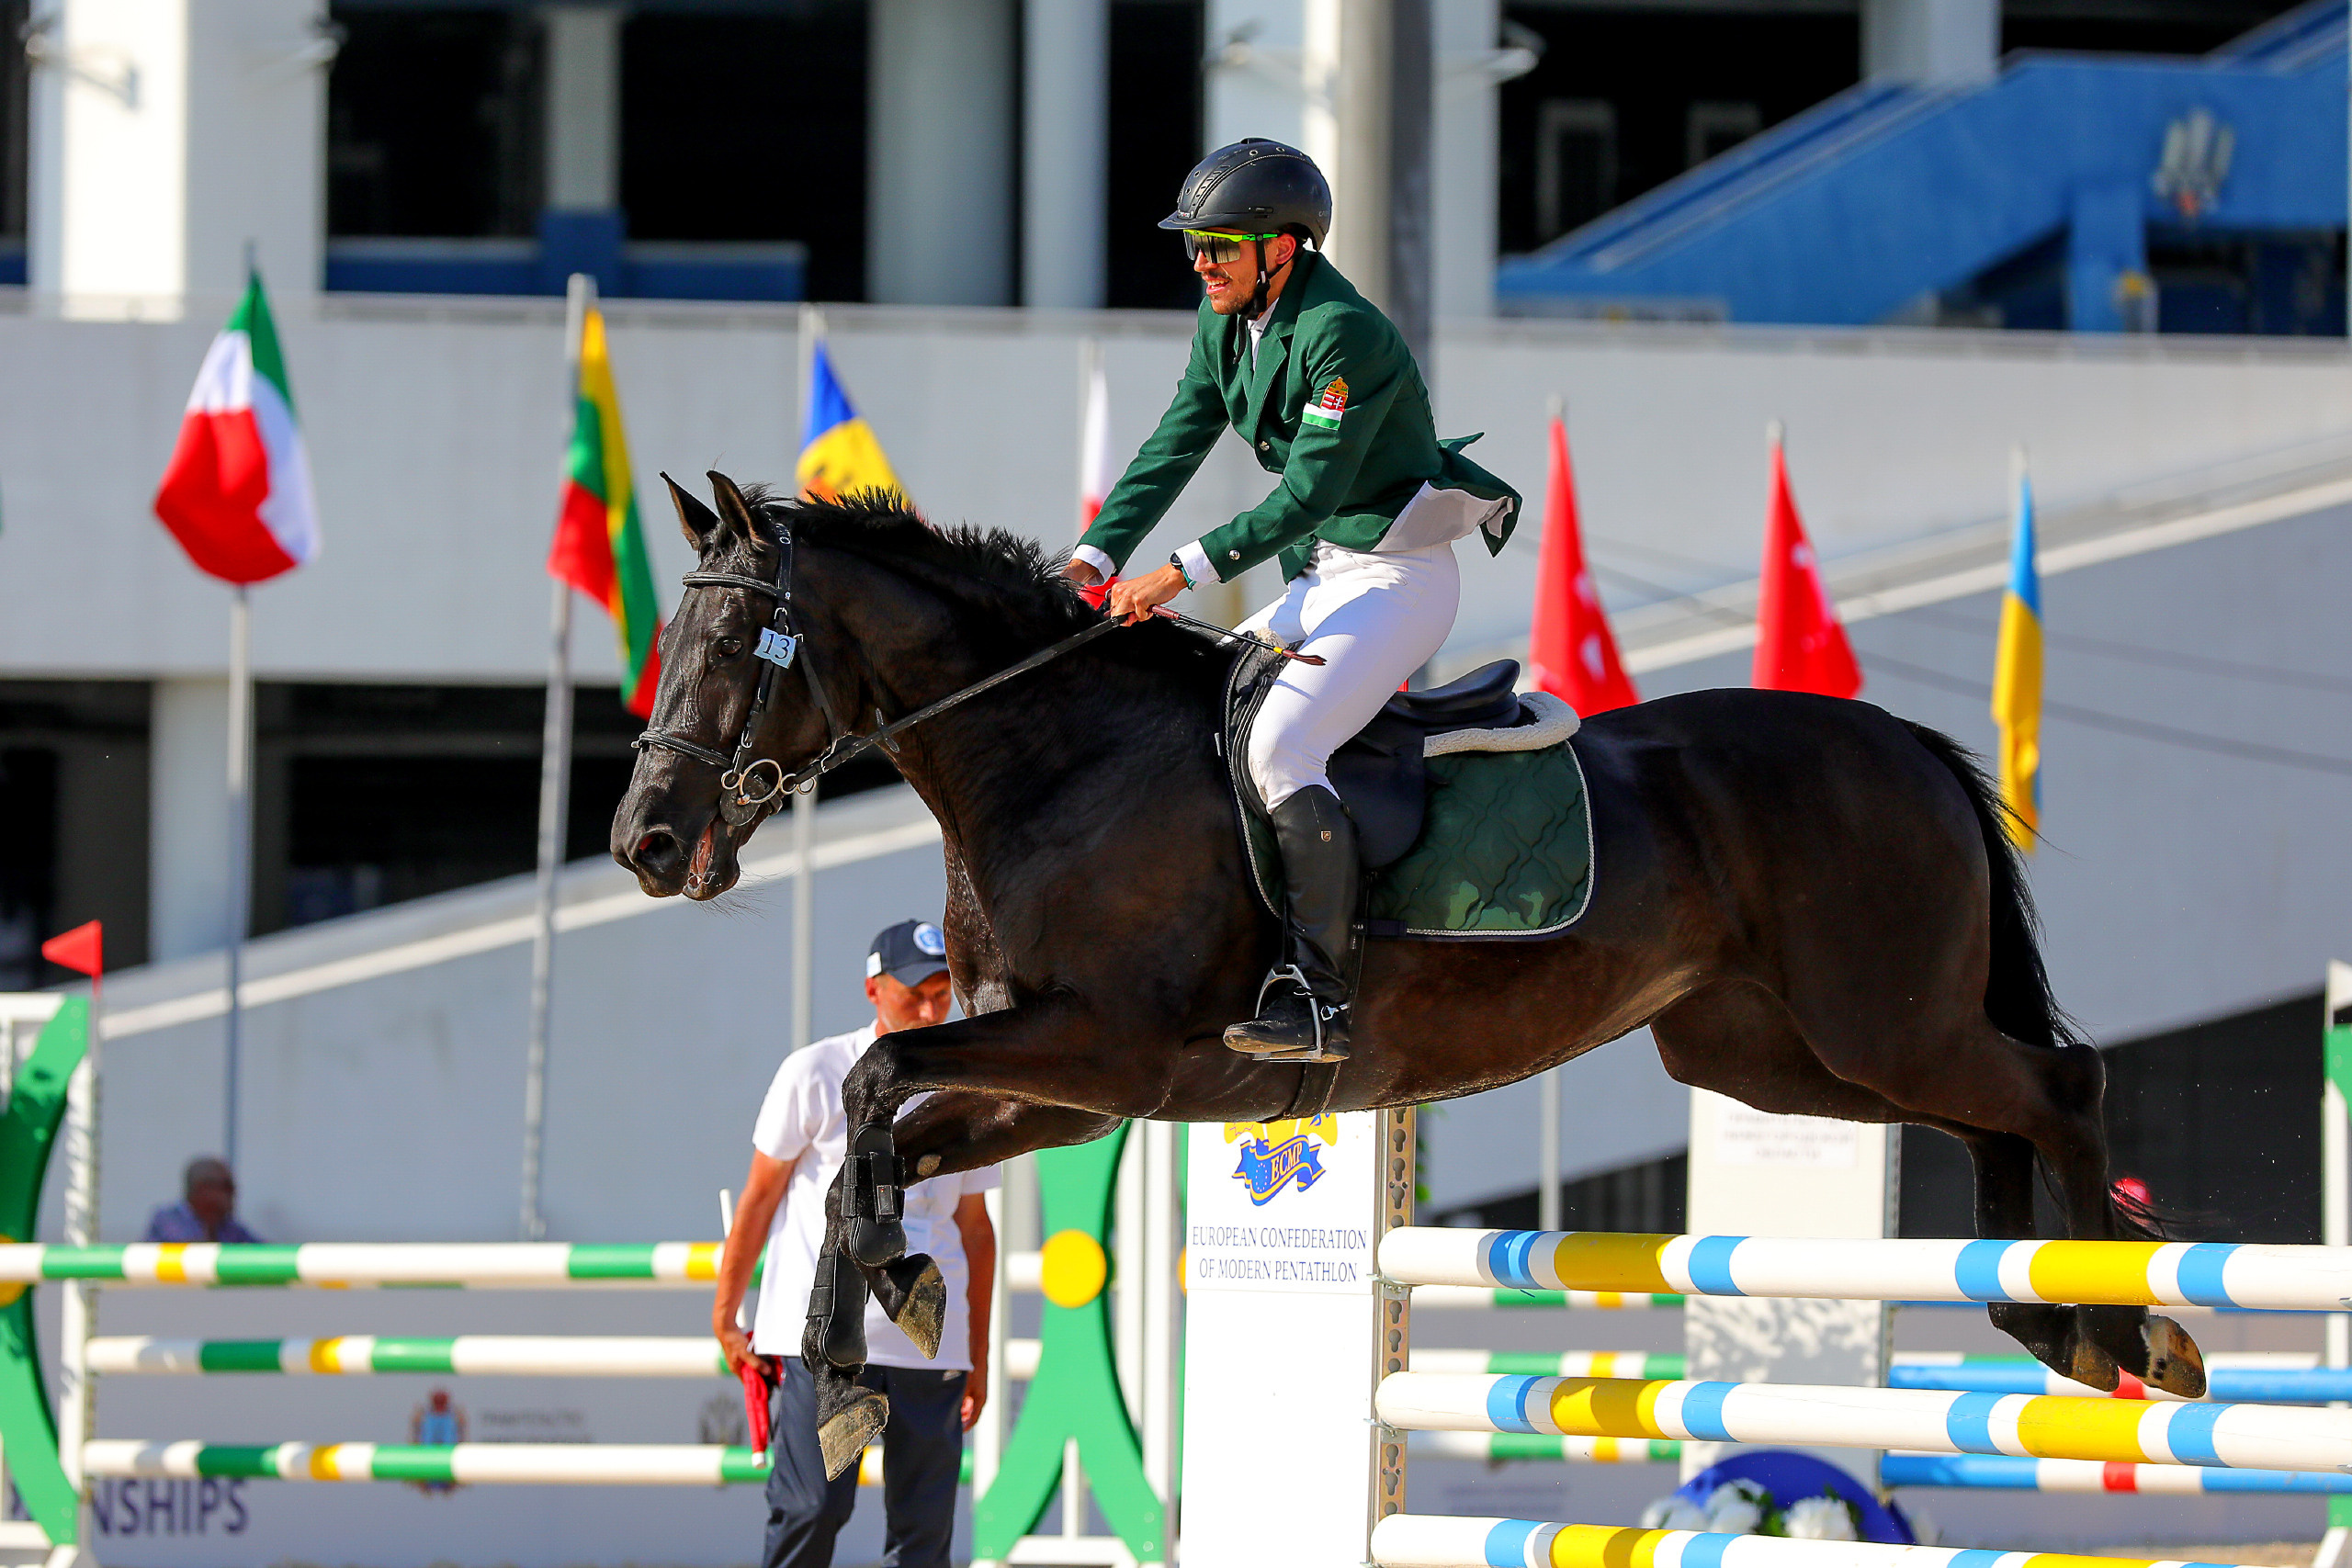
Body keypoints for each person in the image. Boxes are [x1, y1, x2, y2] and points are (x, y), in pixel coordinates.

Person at [1060, 137, 1522, 1063]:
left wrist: (1177, 571)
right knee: (1208, 716)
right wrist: (1094, 553)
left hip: (1397, 579)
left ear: (1283, 246)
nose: (1200, 262)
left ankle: (1320, 999)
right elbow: (1175, 441)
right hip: (1324, 577)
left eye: (1219, 245)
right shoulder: (1224, 319)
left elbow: (1307, 495)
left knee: (1281, 742)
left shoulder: (1340, 332)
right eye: (1193, 245)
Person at [713, 919, 998, 1568]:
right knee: (812, 1507)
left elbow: (975, 1229)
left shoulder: (968, 1086)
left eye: (941, 993)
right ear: (874, 989)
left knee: (923, 1530)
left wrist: (975, 1352)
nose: (929, 1009)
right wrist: (727, 1309)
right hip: (827, 1334)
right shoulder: (814, 1070)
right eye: (912, 994)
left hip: (932, 1340)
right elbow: (759, 1197)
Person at [142, 1156, 262, 1243]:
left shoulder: (228, 1226)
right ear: (202, 1188)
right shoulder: (167, 1219)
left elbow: (262, 1252)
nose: (234, 1192)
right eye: (227, 1187)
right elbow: (191, 1254)